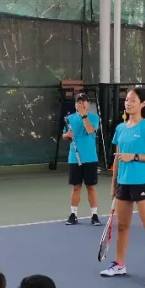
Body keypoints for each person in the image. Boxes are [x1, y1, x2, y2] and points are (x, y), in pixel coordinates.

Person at [102, 86, 145, 287]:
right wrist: (114, 185)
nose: (128, 103)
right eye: (127, 100)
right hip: (123, 184)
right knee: (122, 226)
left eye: (132, 100)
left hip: (142, 183)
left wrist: (135, 157)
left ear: (142, 104)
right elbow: (117, 159)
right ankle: (119, 264)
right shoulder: (120, 129)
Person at [63, 92, 102, 226]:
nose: (81, 104)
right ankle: (73, 214)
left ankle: (94, 215)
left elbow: (90, 131)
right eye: (78, 102)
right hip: (74, 158)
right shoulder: (69, 118)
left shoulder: (94, 117)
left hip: (90, 158)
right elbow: (64, 135)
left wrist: (84, 116)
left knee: (91, 187)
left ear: (88, 104)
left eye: (83, 102)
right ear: (75, 105)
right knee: (76, 187)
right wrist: (67, 135)